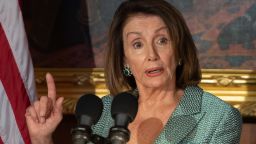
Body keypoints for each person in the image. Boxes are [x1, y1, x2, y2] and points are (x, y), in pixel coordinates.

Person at [25, 0, 242, 143]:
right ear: (124, 60)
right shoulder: (102, 112)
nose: (152, 55)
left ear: (179, 52)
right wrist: (42, 139)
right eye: (137, 44)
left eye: (162, 40)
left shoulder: (218, 118)